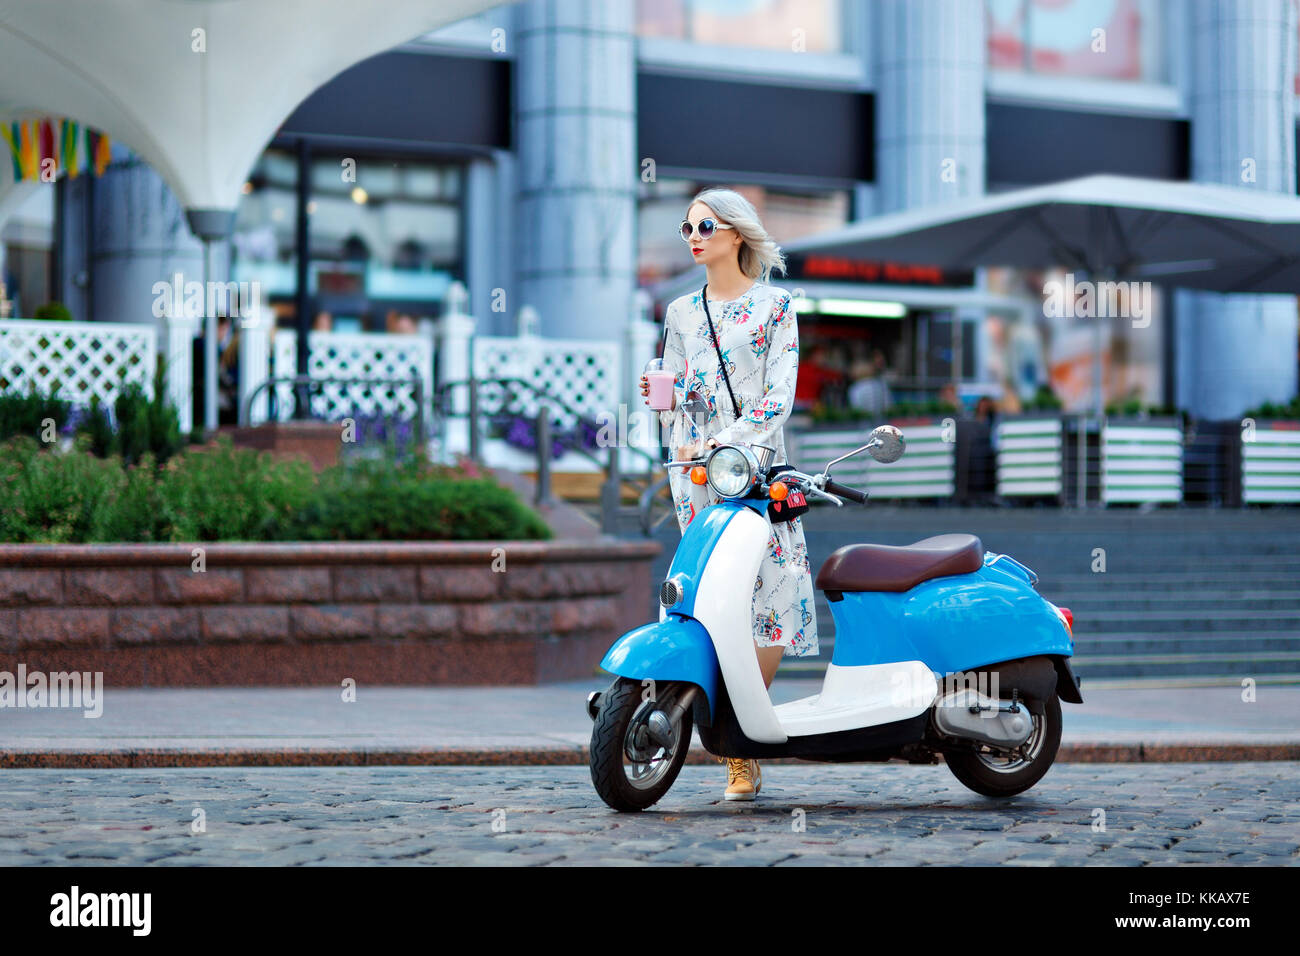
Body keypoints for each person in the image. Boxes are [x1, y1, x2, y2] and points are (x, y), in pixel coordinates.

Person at [638, 187, 818, 802]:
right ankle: (733, 752)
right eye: (686, 225)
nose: (693, 235)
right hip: (695, 476)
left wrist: (731, 444)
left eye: (705, 225)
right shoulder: (682, 312)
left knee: (775, 599)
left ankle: (738, 734)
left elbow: (780, 396)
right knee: (711, 602)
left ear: (735, 234)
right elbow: (678, 393)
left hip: (755, 468)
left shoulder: (777, 305)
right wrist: (662, 406)